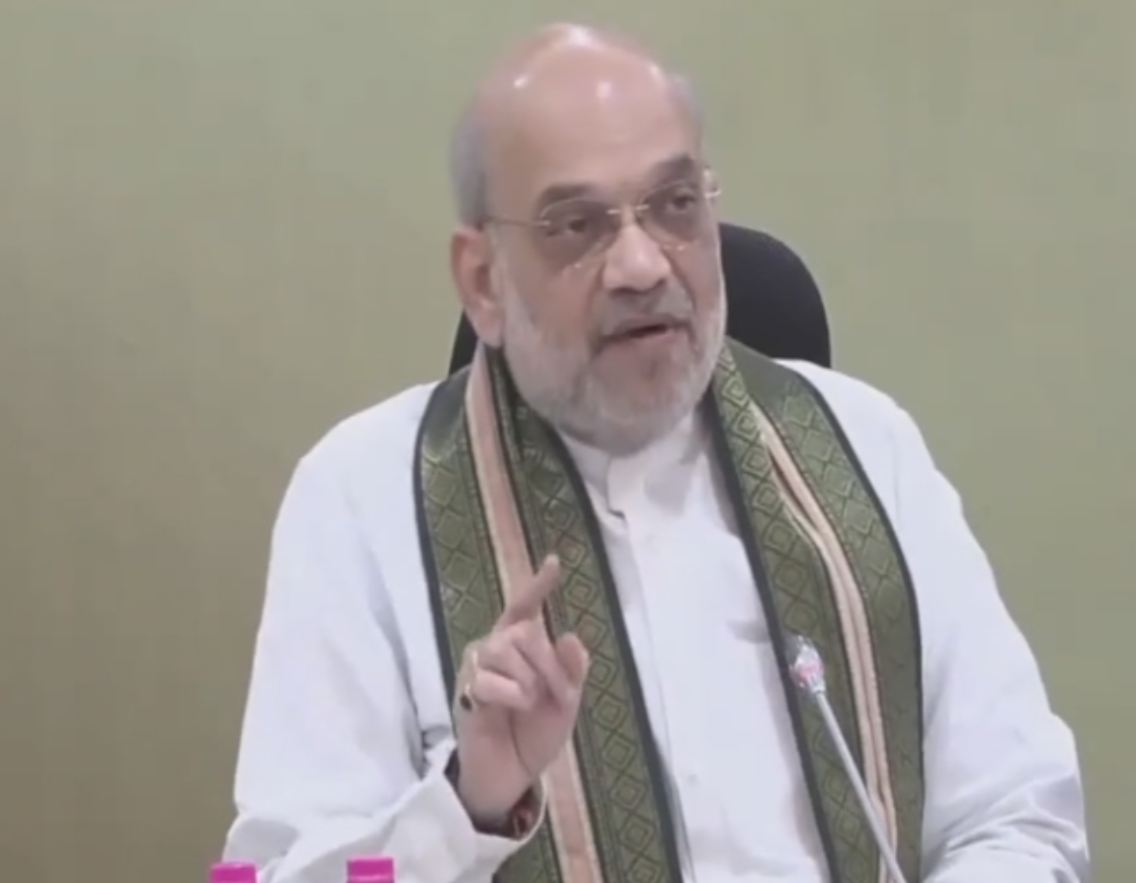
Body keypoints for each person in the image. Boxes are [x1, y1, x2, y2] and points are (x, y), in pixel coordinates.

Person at [223, 23, 1089, 883]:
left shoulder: (869, 447)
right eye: (576, 225)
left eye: (675, 206)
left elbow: (1020, 817)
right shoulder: (361, 498)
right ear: (484, 280)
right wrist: (468, 805)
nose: (641, 265)